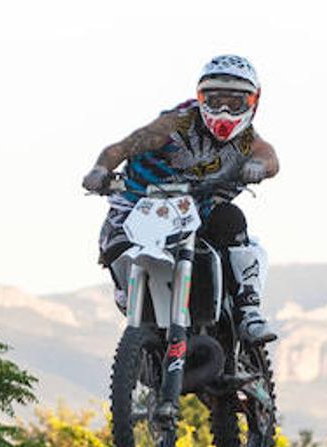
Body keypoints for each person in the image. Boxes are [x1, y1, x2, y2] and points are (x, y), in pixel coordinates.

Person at [81, 54, 280, 345]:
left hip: (200, 208)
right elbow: (122, 148)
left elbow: (269, 156)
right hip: (143, 203)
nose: (223, 110)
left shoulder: (248, 140)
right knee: (114, 241)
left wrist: (259, 167)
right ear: (200, 99)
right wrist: (100, 169)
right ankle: (129, 293)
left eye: (234, 103)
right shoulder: (176, 123)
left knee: (231, 219)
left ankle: (248, 312)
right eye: (214, 101)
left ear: (253, 102)